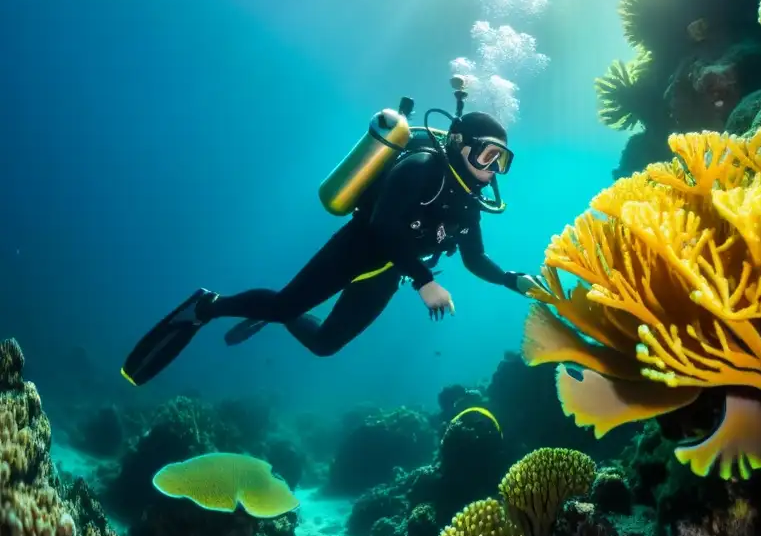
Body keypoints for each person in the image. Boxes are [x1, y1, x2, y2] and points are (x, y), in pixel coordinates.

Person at [121, 110, 539, 387]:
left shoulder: (468, 203)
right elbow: (383, 224)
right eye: (488, 154)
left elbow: (474, 258)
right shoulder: (423, 166)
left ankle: (275, 312)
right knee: (285, 306)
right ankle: (207, 305)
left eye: (502, 161)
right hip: (359, 246)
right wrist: (425, 280)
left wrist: (511, 280)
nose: (493, 169)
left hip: (391, 271)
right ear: (460, 144)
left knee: (325, 345)